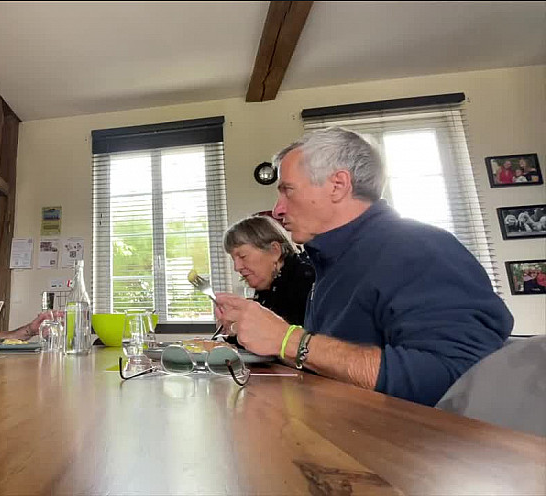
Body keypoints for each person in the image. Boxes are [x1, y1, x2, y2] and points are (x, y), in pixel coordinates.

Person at [214, 127, 513, 406]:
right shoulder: (329, 264)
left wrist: (289, 340)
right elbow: (329, 362)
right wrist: (266, 334)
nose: (278, 210)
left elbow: (460, 380)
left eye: (287, 190)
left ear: (338, 185)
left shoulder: (419, 248)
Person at [220, 216, 314, 342]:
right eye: (233, 259)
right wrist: (231, 329)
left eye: (242, 256)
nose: (237, 267)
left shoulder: (306, 280)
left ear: (275, 250)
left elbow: (307, 347)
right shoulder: (268, 283)